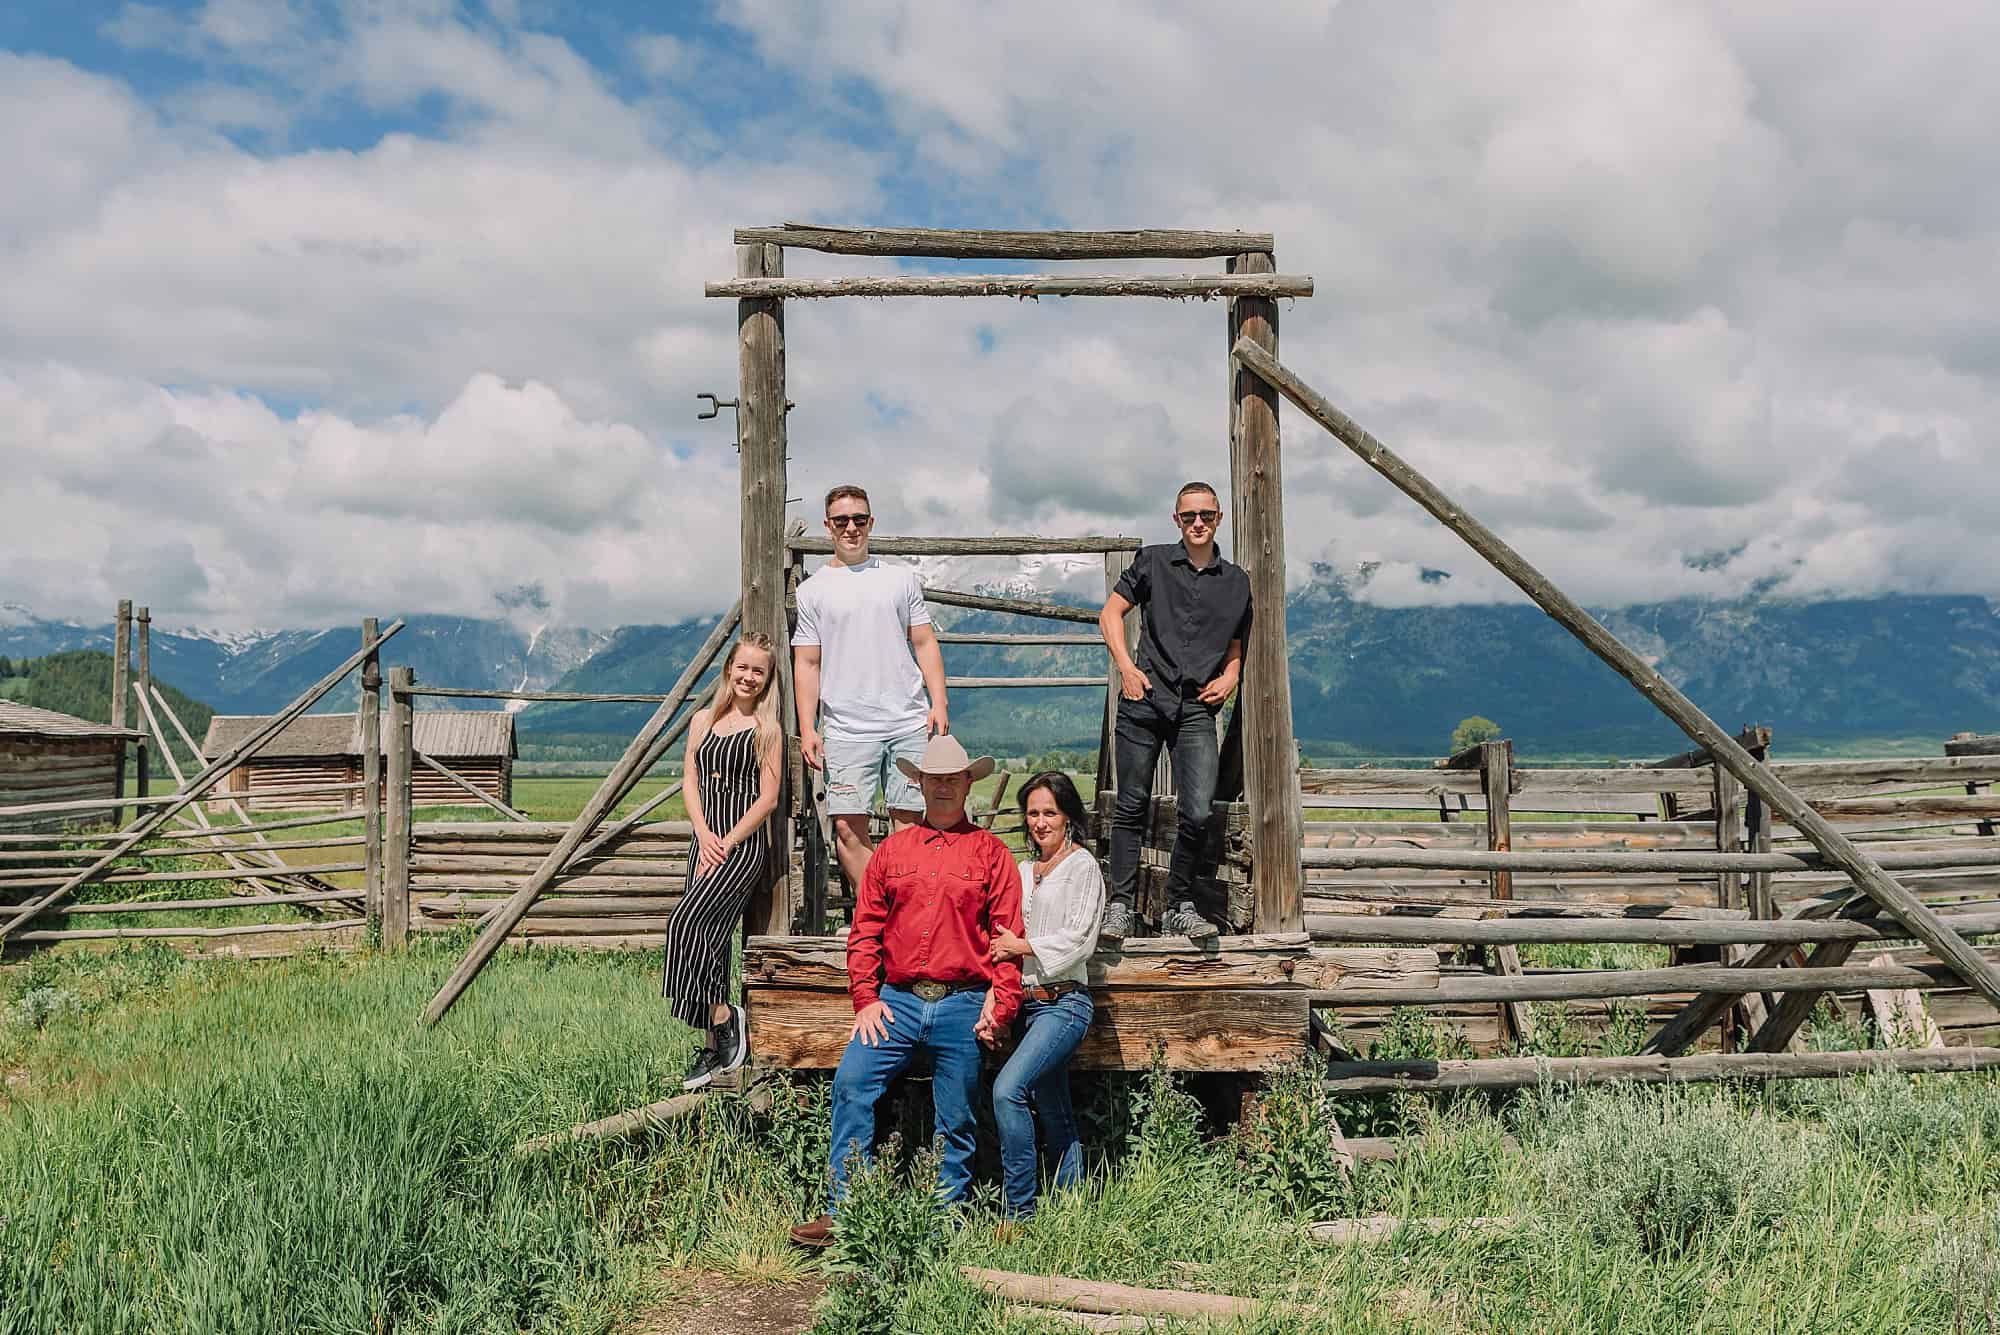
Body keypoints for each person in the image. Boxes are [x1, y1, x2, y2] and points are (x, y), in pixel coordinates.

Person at [788, 735, 1022, 1250]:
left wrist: (1000, 1004)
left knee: (957, 1113)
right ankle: (845, 1209)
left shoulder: (991, 854)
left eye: (952, 779)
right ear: (918, 784)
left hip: (963, 999)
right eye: (932, 778)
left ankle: (945, 1219)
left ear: (967, 784)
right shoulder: (892, 852)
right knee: (851, 1084)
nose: (942, 787)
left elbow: (1007, 940)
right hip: (895, 1000)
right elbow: (865, 930)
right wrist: (865, 998)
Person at [1096, 481, 1251, 942]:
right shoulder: (1153, 561)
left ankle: (1178, 904)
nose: (1198, 523)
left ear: (1219, 517)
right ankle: (1120, 907)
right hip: (1143, 698)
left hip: (1196, 708)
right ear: (1176, 520)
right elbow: (1109, 615)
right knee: (1131, 806)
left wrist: (1233, 674)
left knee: (1199, 812)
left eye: (1206, 515)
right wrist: (1125, 666)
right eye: (1189, 517)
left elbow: (1237, 642)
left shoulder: (1237, 581)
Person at [793, 484, 950, 891]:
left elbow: (924, 641)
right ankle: (875, 913)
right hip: (846, 727)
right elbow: (807, 661)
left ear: (871, 522)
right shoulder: (812, 591)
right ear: (828, 526)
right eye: (841, 521)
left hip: (908, 722)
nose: (851, 528)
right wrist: (808, 727)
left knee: (911, 823)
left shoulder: (900, 579)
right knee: (846, 826)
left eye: (859, 519)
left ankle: (907, 915)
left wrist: (939, 702)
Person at [661, 633, 783, 1091]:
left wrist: (726, 841)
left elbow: (767, 800)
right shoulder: (702, 721)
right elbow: (689, 782)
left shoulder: (766, 731)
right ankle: (716, 1048)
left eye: (759, 671)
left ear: (767, 679)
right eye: (743, 667)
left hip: (740, 845)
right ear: (729, 668)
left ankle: (724, 1015)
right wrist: (703, 834)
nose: (749, 677)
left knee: (682, 925)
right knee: (707, 938)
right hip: (705, 840)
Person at [987, 771, 1104, 1222]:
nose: (1039, 822)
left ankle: (1020, 1213)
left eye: (1049, 812)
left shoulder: (1083, 867)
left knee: (1008, 1091)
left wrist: (1023, 947)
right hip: (1028, 1004)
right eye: (1032, 813)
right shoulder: (1020, 872)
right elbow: (1000, 934)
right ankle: (1071, 1209)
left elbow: (1080, 939)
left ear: (1068, 816)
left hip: (1065, 1002)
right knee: (1053, 1107)